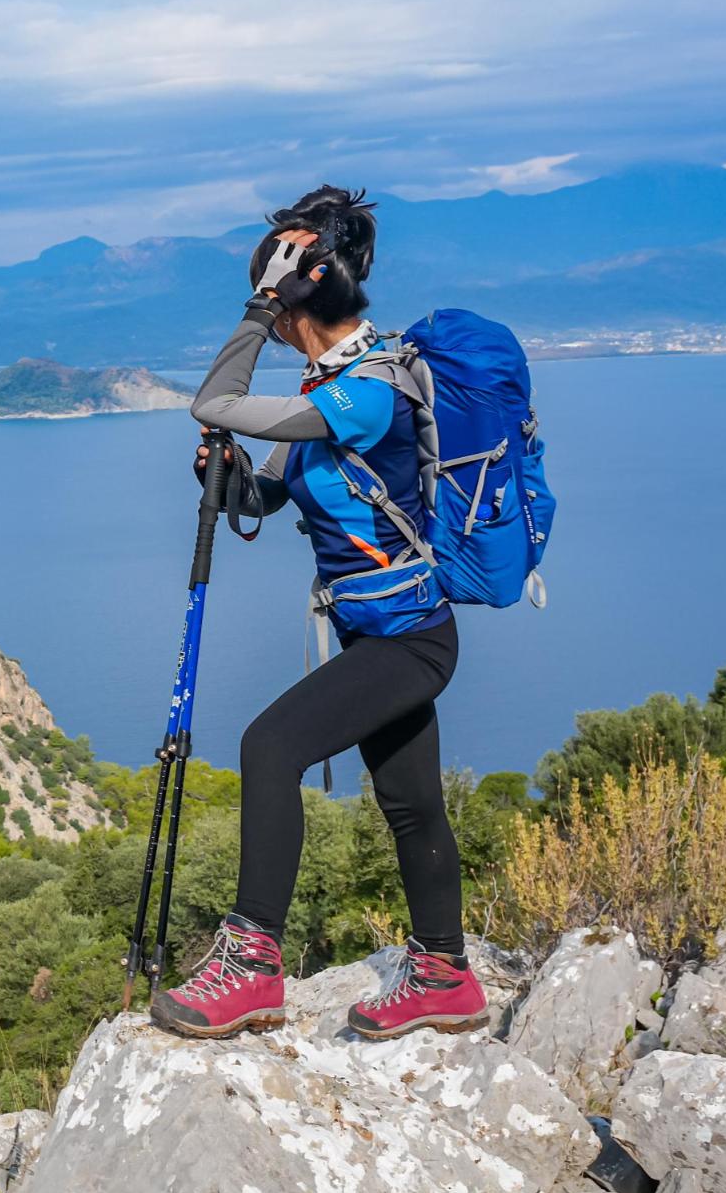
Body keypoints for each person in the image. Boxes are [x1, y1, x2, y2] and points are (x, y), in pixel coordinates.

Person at [146, 185, 488, 1042]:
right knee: (410, 805)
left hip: (408, 638)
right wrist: (223, 483)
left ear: (295, 296)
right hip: (382, 631)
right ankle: (444, 976)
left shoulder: (365, 390)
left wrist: (255, 312)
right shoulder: (333, 382)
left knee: (270, 747)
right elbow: (275, 488)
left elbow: (213, 401)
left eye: (273, 287)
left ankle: (251, 965)